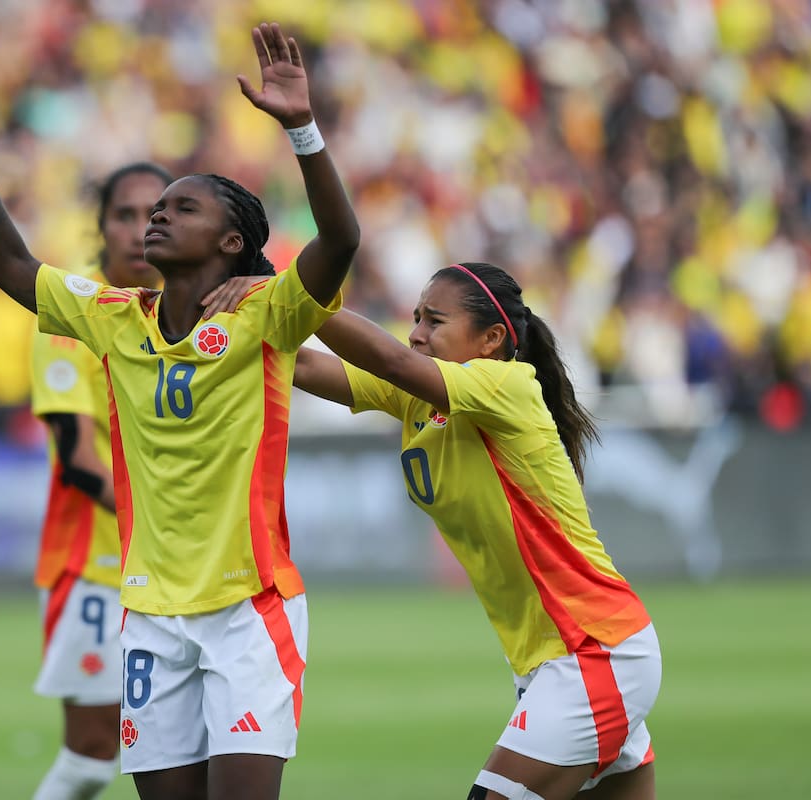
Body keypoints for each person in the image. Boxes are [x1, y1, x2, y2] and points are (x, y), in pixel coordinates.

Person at [0, 22, 359, 800]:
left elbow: (341, 239)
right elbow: (6, 263)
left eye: (180, 208)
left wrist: (302, 130)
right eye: (151, 208)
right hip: (151, 617)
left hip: (248, 609)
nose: (155, 217)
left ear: (230, 242)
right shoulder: (113, 317)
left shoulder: (266, 316)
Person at [281, 262, 661, 800]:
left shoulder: (507, 385)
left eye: (434, 321)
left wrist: (287, 292)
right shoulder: (419, 397)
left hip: (592, 649)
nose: (416, 333)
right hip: (551, 661)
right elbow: (301, 365)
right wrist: (224, 322)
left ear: (491, 340)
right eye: (416, 317)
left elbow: (388, 357)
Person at [28, 161, 173, 800]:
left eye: (155, 215)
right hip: (96, 564)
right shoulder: (71, 312)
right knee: (91, 759)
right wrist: (165, 520)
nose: (139, 230)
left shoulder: (195, 312)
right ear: (101, 225)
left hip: (176, 569)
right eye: (124, 215)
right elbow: (76, 458)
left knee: (184, 756)